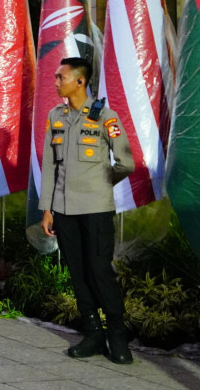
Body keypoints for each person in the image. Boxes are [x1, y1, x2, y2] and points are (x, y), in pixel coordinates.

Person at [41, 57, 136, 364]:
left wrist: (101, 182)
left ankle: (117, 336)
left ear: (80, 81)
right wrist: (47, 209)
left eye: (61, 77)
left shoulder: (105, 116)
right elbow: (48, 168)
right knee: (78, 273)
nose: (56, 82)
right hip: (64, 210)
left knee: (99, 272)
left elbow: (126, 162)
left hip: (95, 208)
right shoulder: (56, 116)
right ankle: (93, 334)